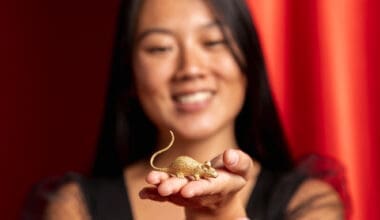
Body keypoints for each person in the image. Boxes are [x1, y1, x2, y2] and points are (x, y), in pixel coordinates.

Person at [26, 0, 346, 219]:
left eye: (213, 42)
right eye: (160, 48)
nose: (190, 69)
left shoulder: (308, 202)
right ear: (130, 72)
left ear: (248, 60)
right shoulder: (77, 205)